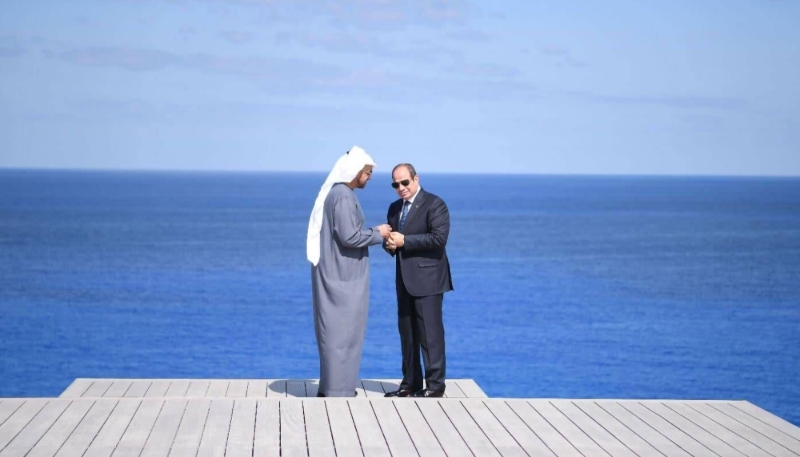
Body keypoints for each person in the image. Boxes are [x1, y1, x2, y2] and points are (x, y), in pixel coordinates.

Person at [307, 146, 392, 397]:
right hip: (343, 278)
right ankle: (338, 390)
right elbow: (349, 236)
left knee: (339, 333)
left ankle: (335, 387)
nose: (369, 177)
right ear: (355, 172)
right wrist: (379, 233)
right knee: (342, 335)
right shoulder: (343, 195)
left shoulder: (338, 194)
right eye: (367, 172)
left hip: (340, 274)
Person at [383, 163, 453, 398]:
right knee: (407, 333)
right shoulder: (394, 208)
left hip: (429, 279)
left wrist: (404, 241)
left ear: (415, 179)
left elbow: (438, 239)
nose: (400, 188)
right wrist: (390, 244)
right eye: (396, 184)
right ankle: (410, 383)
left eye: (404, 182)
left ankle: (435, 386)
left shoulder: (435, 204)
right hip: (404, 279)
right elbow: (394, 241)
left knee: (430, 334)